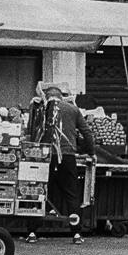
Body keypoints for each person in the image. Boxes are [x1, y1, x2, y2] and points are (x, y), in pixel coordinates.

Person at [33, 81, 95, 244]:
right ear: (61, 97)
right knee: (71, 193)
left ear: (46, 96)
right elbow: (87, 132)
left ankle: (32, 232)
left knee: (40, 192)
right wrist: (91, 152)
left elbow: (31, 132)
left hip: (43, 156)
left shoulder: (40, 109)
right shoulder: (73, 109)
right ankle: (76, 233)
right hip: (67, 156)